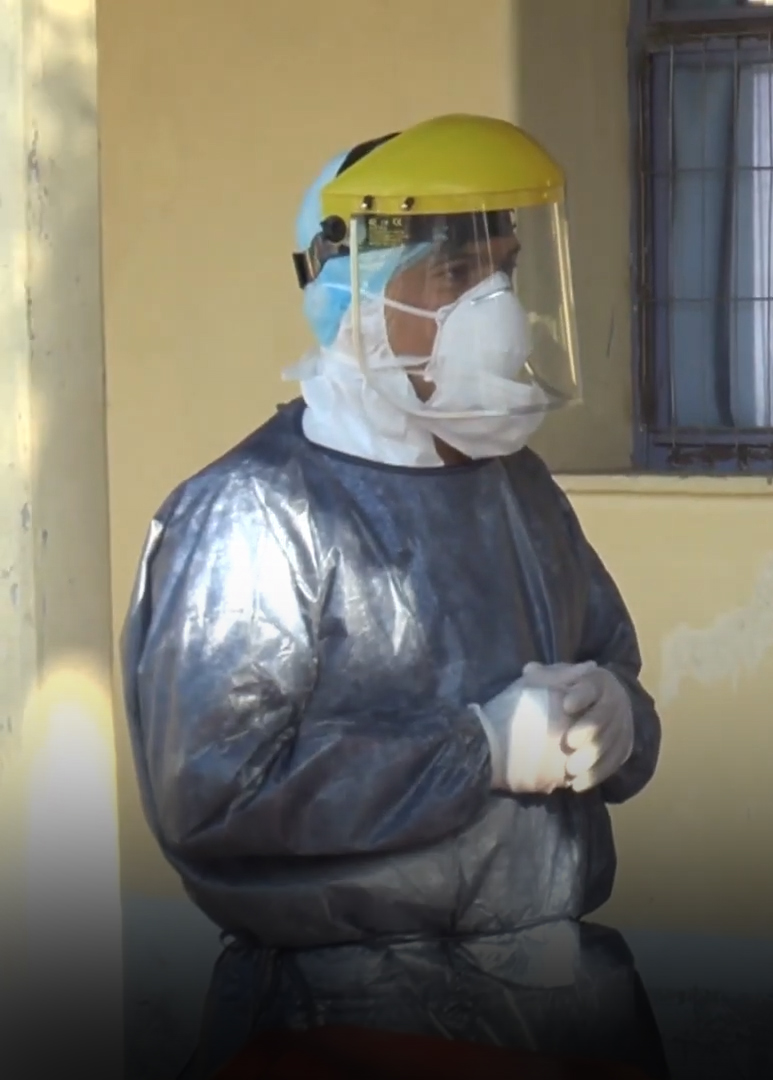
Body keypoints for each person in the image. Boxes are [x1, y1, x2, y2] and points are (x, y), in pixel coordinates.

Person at [120, 115, 672, 1079]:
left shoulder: (517, 487)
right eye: (455, 276)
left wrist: (619, 717)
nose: (497, 310)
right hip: (341, 1021)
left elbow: (608, 661)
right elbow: (214, 791)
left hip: (563, 1002)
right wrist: (477, 750)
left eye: (504, 272)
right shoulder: (257, 512)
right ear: (358, 297)